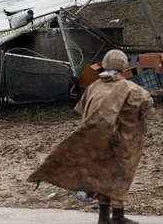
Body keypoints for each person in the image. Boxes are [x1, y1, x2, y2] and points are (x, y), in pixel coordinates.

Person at [28, 49, 154, 224]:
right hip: (125, 141)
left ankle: (103, 217)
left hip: (96, 140)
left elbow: (81, 110)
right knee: (120, 177)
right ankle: (117, 215)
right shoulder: (133, 89)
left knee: (101, 176)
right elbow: (148, 110)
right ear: (125, 66)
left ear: (105, 64)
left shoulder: (93, 87)